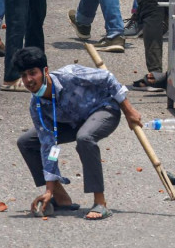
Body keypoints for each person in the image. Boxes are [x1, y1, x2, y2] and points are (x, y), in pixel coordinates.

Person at [14, 46, 142, 221]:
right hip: (73, 123)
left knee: (85, 138)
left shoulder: (70, 75)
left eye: (32, 73)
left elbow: (108, 78)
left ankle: (100, 202)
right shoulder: (37, 106)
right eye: (23, 75)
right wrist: (49, 189)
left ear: (45, 71)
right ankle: (60, 197)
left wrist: (129, 111)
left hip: (104, 110)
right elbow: (49, 145)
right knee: (27, 141)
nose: (28, 80)